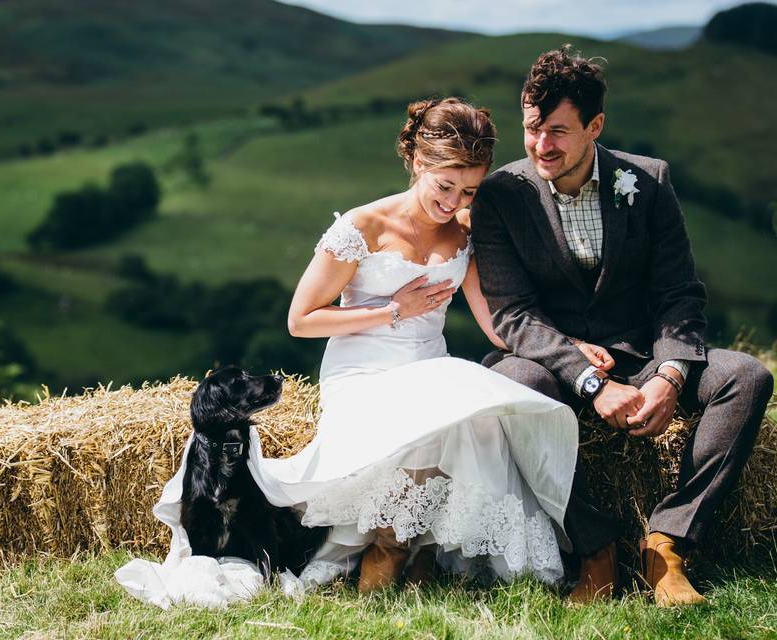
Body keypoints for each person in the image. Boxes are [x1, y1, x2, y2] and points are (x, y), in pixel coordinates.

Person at [116, 98, 608, 608]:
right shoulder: (361, 227)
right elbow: (301, 319)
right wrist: (393, 310)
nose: (454, 200)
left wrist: (567, 350)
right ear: (419, 163)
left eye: (468, 189)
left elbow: (496, 324)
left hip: (428, 368)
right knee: (439, 412)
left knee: (472, 407)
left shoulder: (465, 231)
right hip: (362, 371)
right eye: (444, 186)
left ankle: (409, 545)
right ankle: (393, 548)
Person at [471, 46, 774, 606]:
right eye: (533, 128)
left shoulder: (649, 180)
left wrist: (670, 375)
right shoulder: (500, 196)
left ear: (596, 126)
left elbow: (679, 293)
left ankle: (666, 542)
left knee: (748, 377)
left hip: (644, 352)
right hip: (552, 361)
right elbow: (513, 314)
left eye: (558, 130)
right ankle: (594, 547)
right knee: (510, 387)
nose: (542, 145)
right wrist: (589, 380)